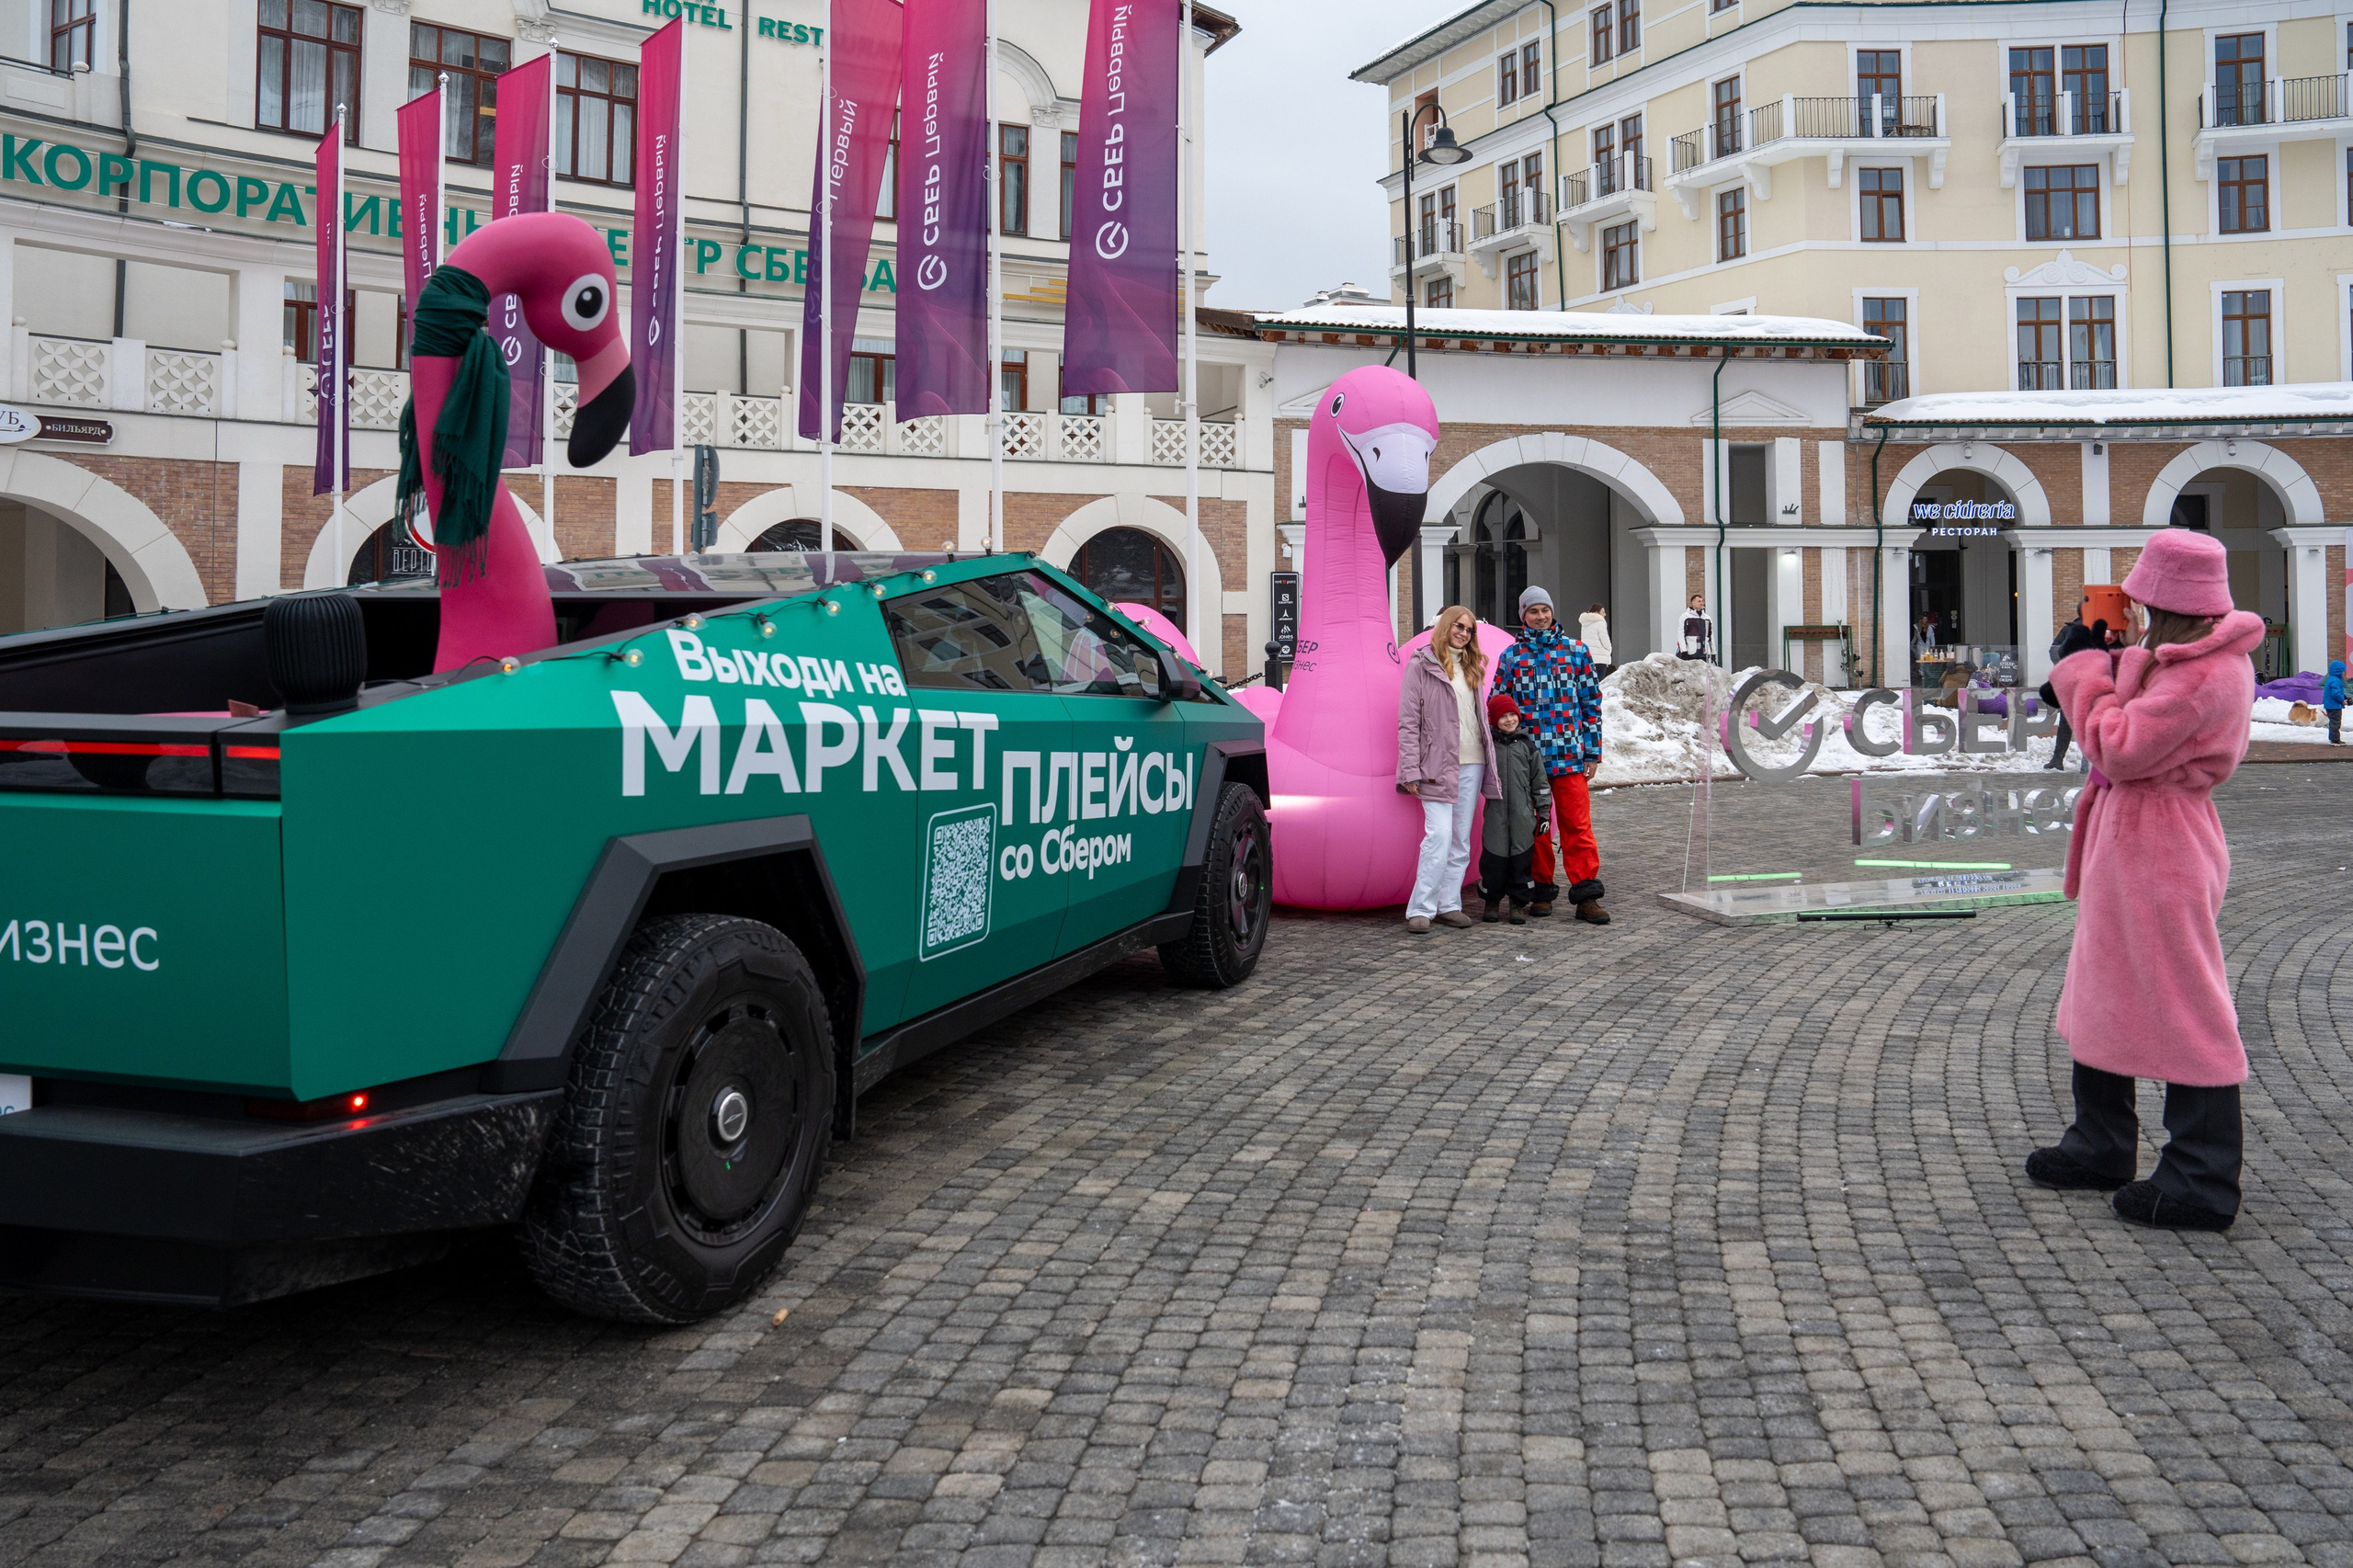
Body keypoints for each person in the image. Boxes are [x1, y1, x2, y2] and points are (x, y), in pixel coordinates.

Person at [2024, 528, 2263, 1232]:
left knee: (2186, 1005)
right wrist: (2099, 661)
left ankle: (2201, 1177)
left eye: (2143, 600)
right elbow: (2132, 707)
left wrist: (2081, 672)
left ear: (2167, 599)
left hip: (2161, 850)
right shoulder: (2185, 659)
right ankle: (2100, 1142)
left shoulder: (2206, 675)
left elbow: (2120, 746)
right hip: (2137, 843)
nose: (2133, 609)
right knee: (2107, 989)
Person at [1495, 585, 1608, 924]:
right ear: (1523, 616)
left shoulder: (1576, 651)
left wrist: (1592, 752)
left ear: (1552, 612)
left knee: (1577, 826)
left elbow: (1591, 704)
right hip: (1528, 762)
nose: (1540, 616)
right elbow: (1498, 704)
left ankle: (1586, 895)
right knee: (1536, 829)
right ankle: (1540, 891)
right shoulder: (1511, 657)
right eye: (1533, 611)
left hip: (1569, 756)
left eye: (1545, 610)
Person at [1397, 604, 1500, 936]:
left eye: (1469, 629)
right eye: (1459, 626)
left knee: (1460, 839)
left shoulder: (1472, 666)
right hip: (1435, 765)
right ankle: (1421, 908)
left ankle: (1449, 904)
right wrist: (1409, 769)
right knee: (1438, 836)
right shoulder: (1420, 665)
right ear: (1445, 626)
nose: (1464, 633)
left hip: (1473, 762)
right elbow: (1408, 722)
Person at [1480, 692, 1550, 925]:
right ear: (1494, 720)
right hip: (1495, 814)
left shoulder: (1528, 748)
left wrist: (1544, 812)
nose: (1509, 720)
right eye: (1503, 716)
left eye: (1512, 715)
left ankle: (1517, 903)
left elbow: (1540, 782)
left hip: (1523, 815)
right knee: (1493, 860)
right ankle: (1491, 901)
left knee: (1521, 862)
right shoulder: (1488, 748)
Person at [1675, 594, 1712, 662]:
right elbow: (1681, 634)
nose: (1701, 603)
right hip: (1691, 652)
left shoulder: (1707, 618)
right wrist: (1683, 650)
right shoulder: (1685, 617)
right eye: (1699, 601)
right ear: (1693, 603)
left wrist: (1713, 651)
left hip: (1704, 652)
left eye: (1702, 601)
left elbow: (1710, 635)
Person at [1579, 603, 1613, 677]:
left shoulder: (1585, 624)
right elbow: (1605, 640)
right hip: (1600, 659)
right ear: (1597, 612)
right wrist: (1609, 650)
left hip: (1588, 658)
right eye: (1603, 612)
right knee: (1599, 682)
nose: (1605, 614)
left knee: (1590, 682)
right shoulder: (1600, 623)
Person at [2326, 659, 2346, 744]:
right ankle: (2335, 740)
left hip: (2330, 705)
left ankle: (2333, 738)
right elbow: (2336, 693)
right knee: (2336, 722)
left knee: (2333, 722)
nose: (2343, 673)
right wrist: (2342, 700)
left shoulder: (2331, 679)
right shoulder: (2335, 680)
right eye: (2342, 671)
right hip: (2334, 705)